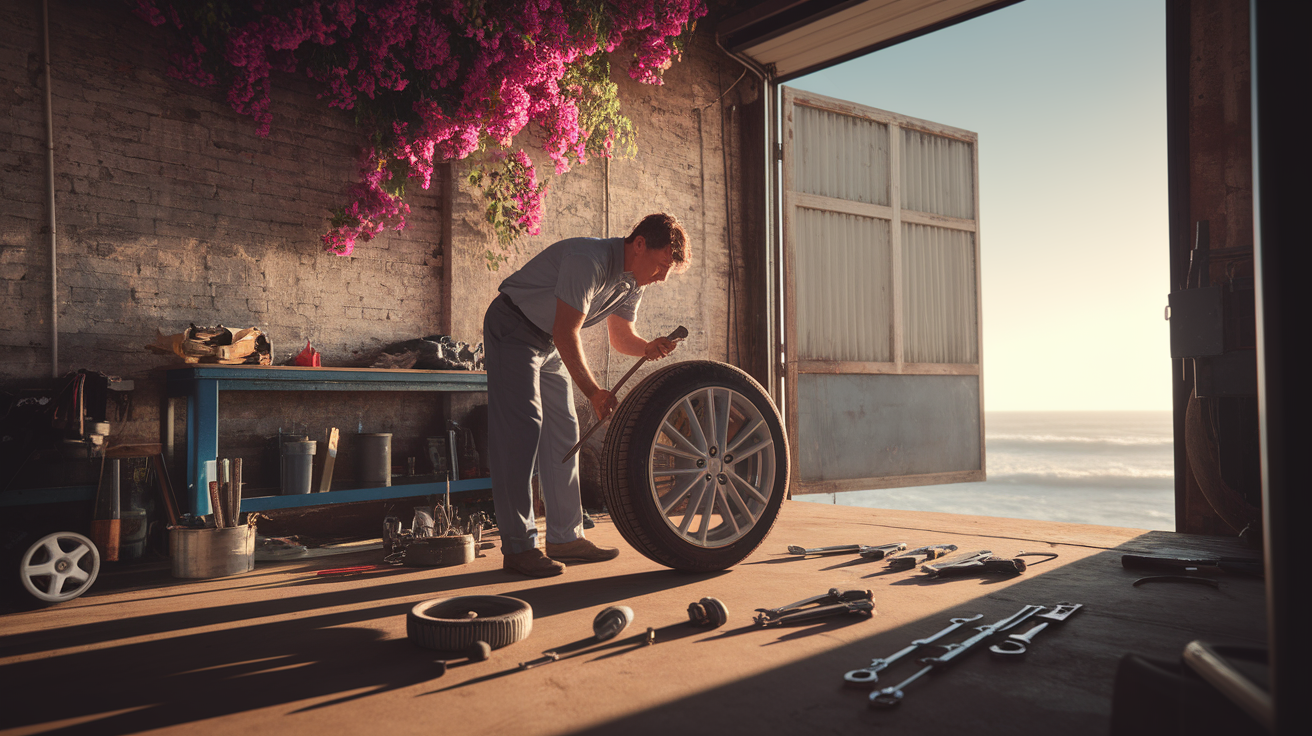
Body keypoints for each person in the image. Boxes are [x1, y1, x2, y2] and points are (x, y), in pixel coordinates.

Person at [483, 213, 690, 577]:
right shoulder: (587, 261)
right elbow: (567, 332)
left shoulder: (633, 281)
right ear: (639, 244)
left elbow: (620, 337)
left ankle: (565, 538)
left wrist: (646, 347)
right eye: (661, 266)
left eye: (668, 270)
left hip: (547, 342)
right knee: (522, 431)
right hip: (513, 328)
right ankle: (519, 547)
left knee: (565, 430)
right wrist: (594, 392)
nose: (662, 277)